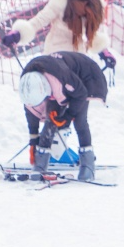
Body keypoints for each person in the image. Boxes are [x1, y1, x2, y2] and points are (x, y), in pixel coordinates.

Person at [1, 0, 117, 70]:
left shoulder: (92, 7)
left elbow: (93, 33)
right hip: (55, 53)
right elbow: (41, 19)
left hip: (77, 56)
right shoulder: (60, 0)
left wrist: (103, 51)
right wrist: (19, 33)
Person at [18, 51, 108, 181]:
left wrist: (68, 115)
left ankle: (88, 164)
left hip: (85, 76)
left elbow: (81, 94)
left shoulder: (61, 79)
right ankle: (41, 165)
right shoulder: (28, 85)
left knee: (79, 120)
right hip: (60, 76)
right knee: (52, 120)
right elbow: (31, 114)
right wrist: (33, 142)